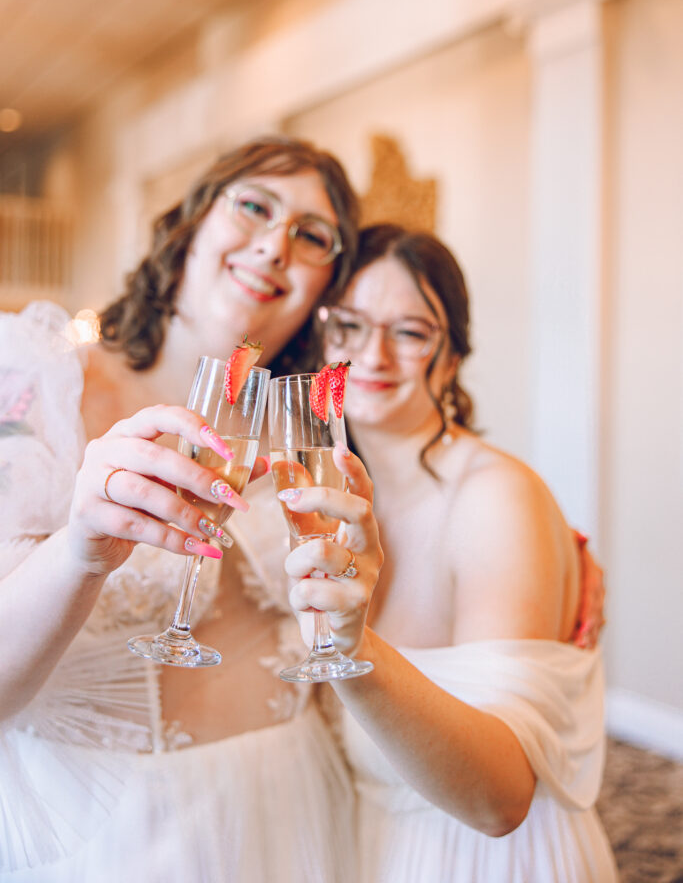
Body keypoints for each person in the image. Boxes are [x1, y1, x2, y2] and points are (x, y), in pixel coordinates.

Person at [0, 136, 361, 882]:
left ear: (327, 281)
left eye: (311, 235)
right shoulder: (41, 387)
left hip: (292, 803)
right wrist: (78, 552)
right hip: (117, 832)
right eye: (254, 206)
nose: (273, 245)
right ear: (191, 224)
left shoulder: (314, 429)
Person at [277, 223, 617, 882]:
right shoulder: (327, 494)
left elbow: (498, 799)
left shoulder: (493, 499)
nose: (372, 356)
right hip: (375, 842)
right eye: (348, 326)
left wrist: (353, 650)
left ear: (451, 356)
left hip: (482, 859)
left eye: (409, 333)